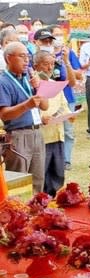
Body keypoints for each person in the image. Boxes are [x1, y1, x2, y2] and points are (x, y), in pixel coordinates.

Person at [0, 42, 49, 193]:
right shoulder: (3, 81)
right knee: (20, 183)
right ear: (9, 58)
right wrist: (27, 105)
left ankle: (38, 214)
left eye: (28, 56)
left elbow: (45, 106)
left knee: (38, 180)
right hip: (18, 135)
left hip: (36, 132)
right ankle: (18, 215)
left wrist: (39, 87)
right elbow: (4, 114)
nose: (26, 60)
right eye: (22, 56)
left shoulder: (30, 76)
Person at [35, 50, 71, 196]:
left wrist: (69, 115)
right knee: (41, 173)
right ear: (36, 66)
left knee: (57, 171)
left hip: (57, 134)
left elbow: (64, 106)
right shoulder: (32, 84)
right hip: (41, 137)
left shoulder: (55, 84)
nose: (50, 68)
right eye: (45, 64)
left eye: (52, 64)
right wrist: (41, 118)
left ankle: (54, 200)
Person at [46, 25, 81, 171]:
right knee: (49, 131)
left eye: (61, 34)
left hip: (67, 97)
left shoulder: (69, 53)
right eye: (56, 35)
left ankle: (66, 160)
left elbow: (77, 76)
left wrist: (66, 62)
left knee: (67, 131)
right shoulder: (44, 55)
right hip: (47, 98)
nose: (59, 38)